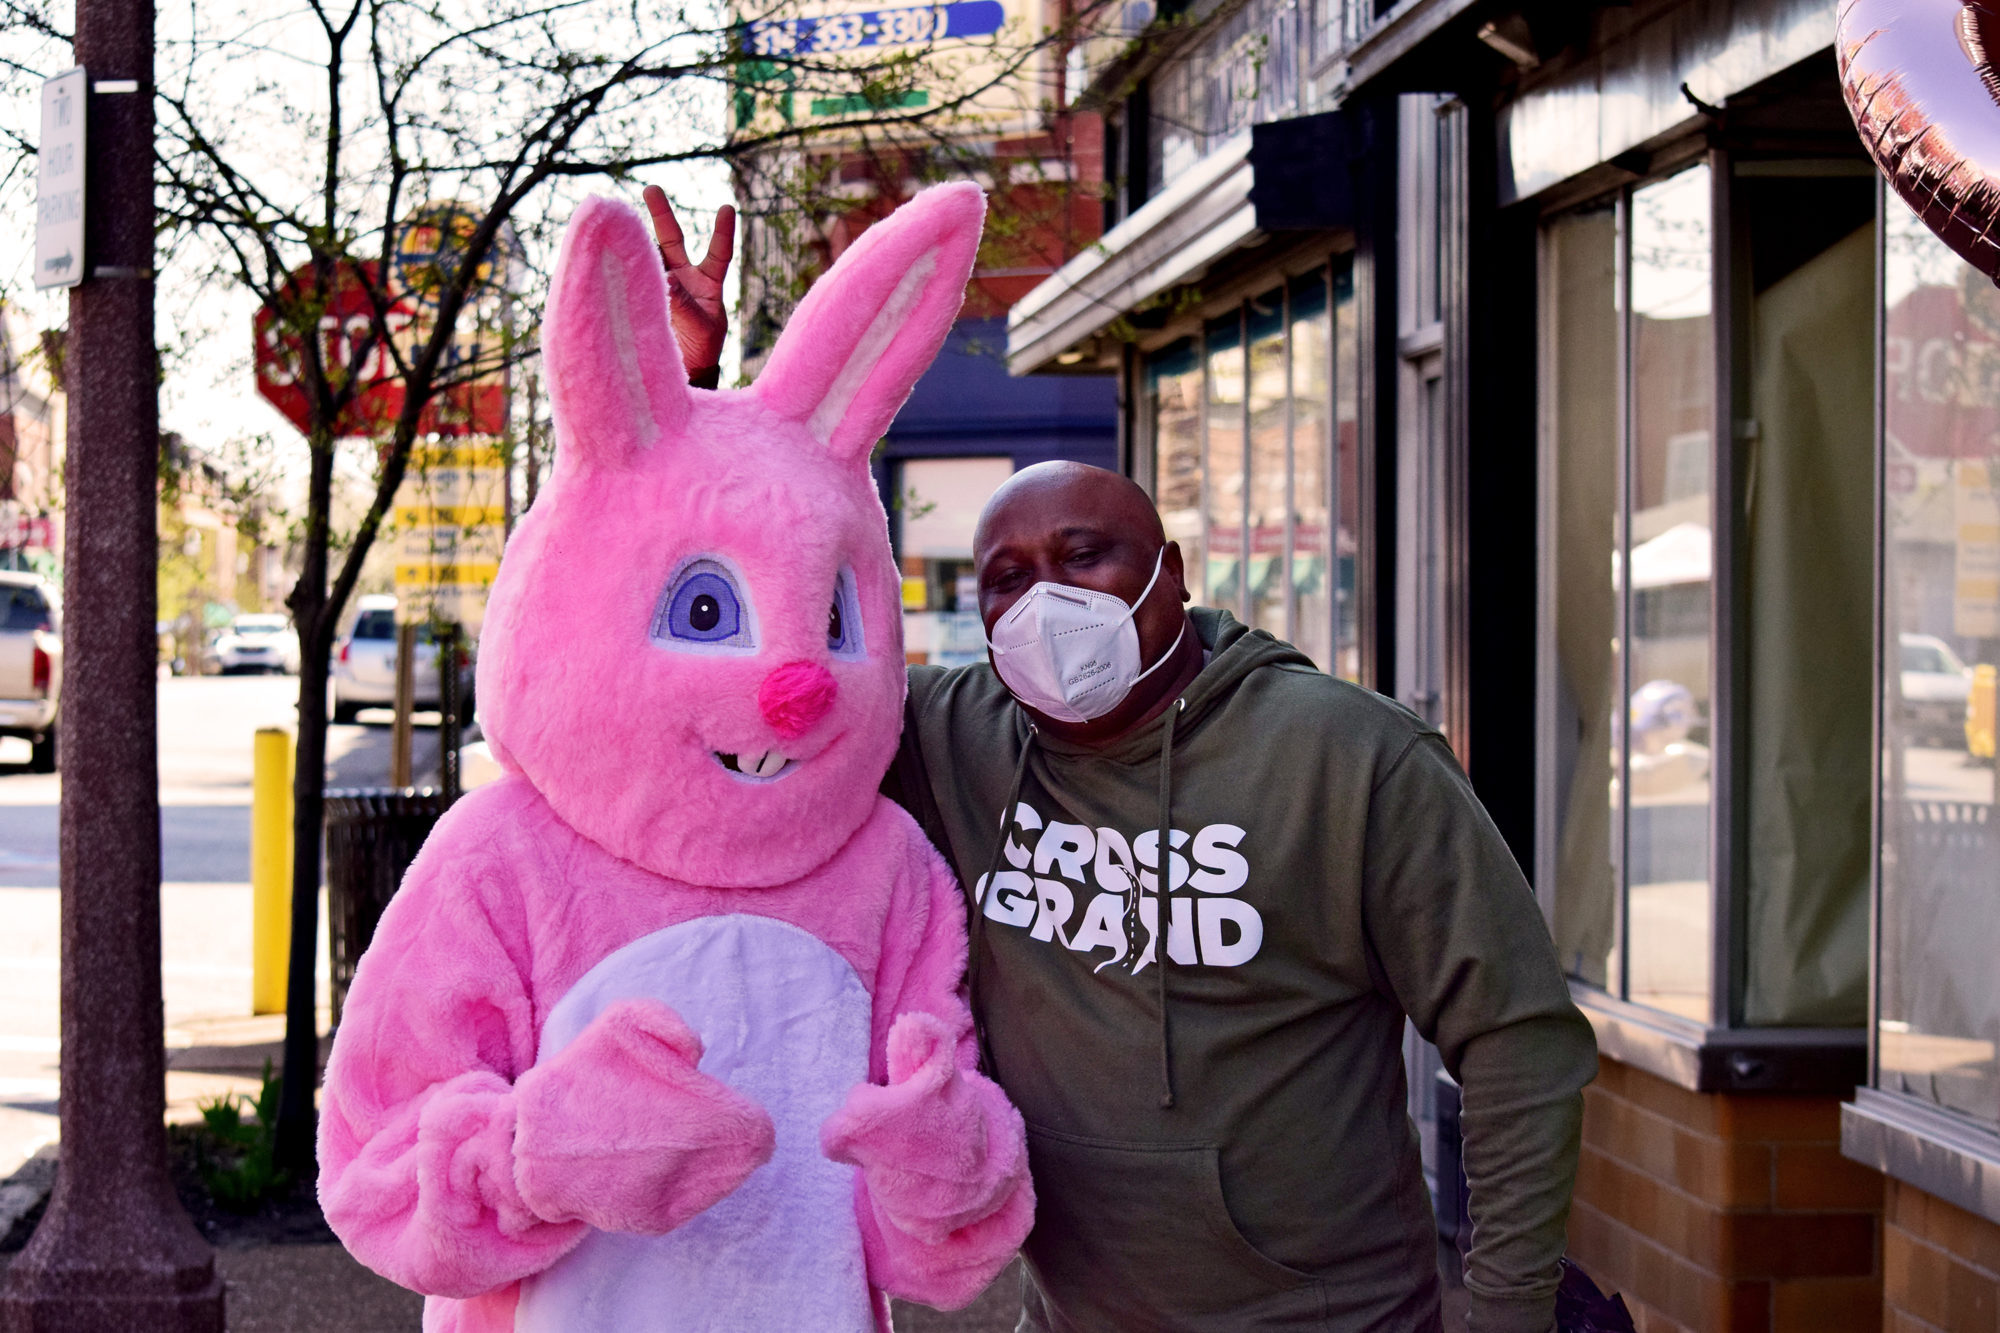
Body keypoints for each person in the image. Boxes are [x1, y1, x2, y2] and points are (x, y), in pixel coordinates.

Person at [646, 191, 1597, 1333]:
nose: (1044, 596)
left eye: (1083, 556)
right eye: (1003, 576)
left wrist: (1504, 1310)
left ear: (1170, 574)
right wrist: (687, 396)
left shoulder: (1348, 759)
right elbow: (707, 667)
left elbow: (1516, 1043)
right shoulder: (953, 739)